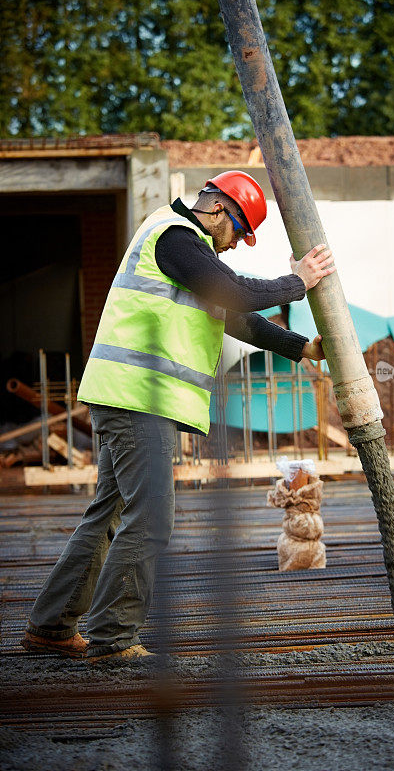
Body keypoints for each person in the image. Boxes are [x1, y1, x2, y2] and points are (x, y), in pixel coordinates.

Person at [22, 170, 335, 662]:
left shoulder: (190, 257)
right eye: (238, 233)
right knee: (151, 518)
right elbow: (236, 293)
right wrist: (299, 281)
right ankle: (113, 638)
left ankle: (52, 626)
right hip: (137, 400)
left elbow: (237, 317)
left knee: (110, 512)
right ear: (218, 211)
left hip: (129, 397)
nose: (233, 248)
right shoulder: (175, 237)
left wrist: (300, 347)